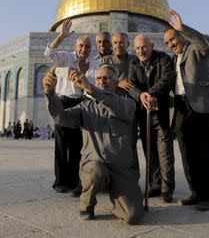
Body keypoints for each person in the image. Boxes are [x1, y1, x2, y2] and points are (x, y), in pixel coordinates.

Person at [43, 65, 144, 224]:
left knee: (133, 216)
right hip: (95, 166)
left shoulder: (127, 104)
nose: (101, 81)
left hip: (121, 169)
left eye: (106, 78)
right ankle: (86, 204)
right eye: (98, 78)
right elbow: (61, 117)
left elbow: (116, 106)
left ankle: (119, 200)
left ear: (116, 82)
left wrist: (90, 89)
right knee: (95, 171)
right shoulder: (86, 107)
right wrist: (50, 93)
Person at [163, 10, 209, 211]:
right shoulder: (173, 59)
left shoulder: (197, 49)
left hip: (202, 107)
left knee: (207, 153)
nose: (171, 44)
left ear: (181, 35)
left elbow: (205, 43)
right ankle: (196, 192)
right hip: (181, 107)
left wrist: (183, 27)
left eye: (173, 39)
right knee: (188, 153)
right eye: (167, 43)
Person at [43, 19, 99, 197]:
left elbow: (94, 85)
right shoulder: (66, 57)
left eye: (87, 46)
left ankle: (75, 180)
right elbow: (48, 53)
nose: (84, 49)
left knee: (77, 144)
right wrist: (62, 36)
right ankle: (61, 181)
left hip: (81, 103)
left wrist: (82, 82)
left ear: (91, 48)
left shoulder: (95, 63)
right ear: (76, 46)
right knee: (61, 143)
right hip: (63, 101)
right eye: (81, 45)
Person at [127, 34, 175, 203]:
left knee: (165, 152)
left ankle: (167, 188)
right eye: (138, 48)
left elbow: (166, 80)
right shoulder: (133, 63)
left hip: (161, 113)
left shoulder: (163, 59)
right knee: (150, 152)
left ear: (152, 46)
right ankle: (155, 185)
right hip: (144, 114)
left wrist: (151, 94)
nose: (141, 51)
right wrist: (141, 96)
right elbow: (131, 85)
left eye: (144, 47)